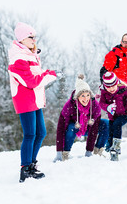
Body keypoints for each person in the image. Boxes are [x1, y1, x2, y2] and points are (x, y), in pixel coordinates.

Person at [8, 22, 62, 183]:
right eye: (30, 37)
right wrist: (51, 75)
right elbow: (31, 82)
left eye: (34, 37)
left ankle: (31, 164)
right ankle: (25, 168)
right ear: (22, 39)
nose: (34, 40)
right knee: (30, 134)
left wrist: (48, 72)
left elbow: (37, 76)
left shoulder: (30, 56)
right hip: (25, 100)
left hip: (35, 100)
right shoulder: (18, 59)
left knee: (41, 133)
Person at [53, 74, 109, 162]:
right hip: (75, 127)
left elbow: (94, 129)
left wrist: (88, 151)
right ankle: (65, 153)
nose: (86, 98)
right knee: (71, 127)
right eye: (82, 95)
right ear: (77, 97)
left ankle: (97, 151)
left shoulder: (95, 106)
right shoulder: (69, 106)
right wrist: (59, 152)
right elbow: (61, 129)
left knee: (106, 124)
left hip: (89, 127)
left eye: (87, 95)